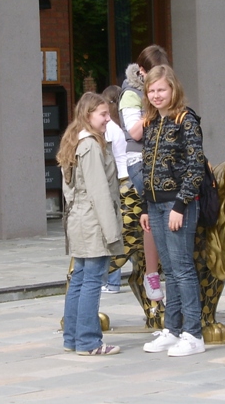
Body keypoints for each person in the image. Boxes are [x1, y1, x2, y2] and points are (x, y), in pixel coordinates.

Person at [139, 64, 206, 357]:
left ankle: (193, 334)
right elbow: (146, 167)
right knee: (169, 270)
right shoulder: (152, 122)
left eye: (161, 90)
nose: (156, 95)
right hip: (155, 205)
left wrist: (180, 204)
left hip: (178, 204)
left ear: (173, 90)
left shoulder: (185, 120)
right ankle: (173, 329)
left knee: (182, 269)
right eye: (151, 90)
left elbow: (195, 166)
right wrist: (145, 206)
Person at [57, 92, 123, 356]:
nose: (108, 119)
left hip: (79, 219)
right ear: (88, 115)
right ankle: (88, 342)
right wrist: (112, 233)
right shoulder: (91, 146)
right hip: (93, 222)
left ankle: (72, 339)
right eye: (103, 114)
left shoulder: (74, 140)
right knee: (92, 280)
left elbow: (70, 191)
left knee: (80, 279)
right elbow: (99, 193)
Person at [118, 44, 169, 301]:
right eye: (151, 73)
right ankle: (151, 273)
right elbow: (135, 132)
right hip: (139, 160)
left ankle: (215, 257)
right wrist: (156, 106)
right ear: (141, 70)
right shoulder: (131, 94)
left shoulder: (165, 88)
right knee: (155, 205)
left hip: (165, 156)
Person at [101, 85, 127, 294]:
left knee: (113, 232)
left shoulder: (110, 129)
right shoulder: (120, 126)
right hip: (123, 180)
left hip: (117, 182)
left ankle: (112, 281)